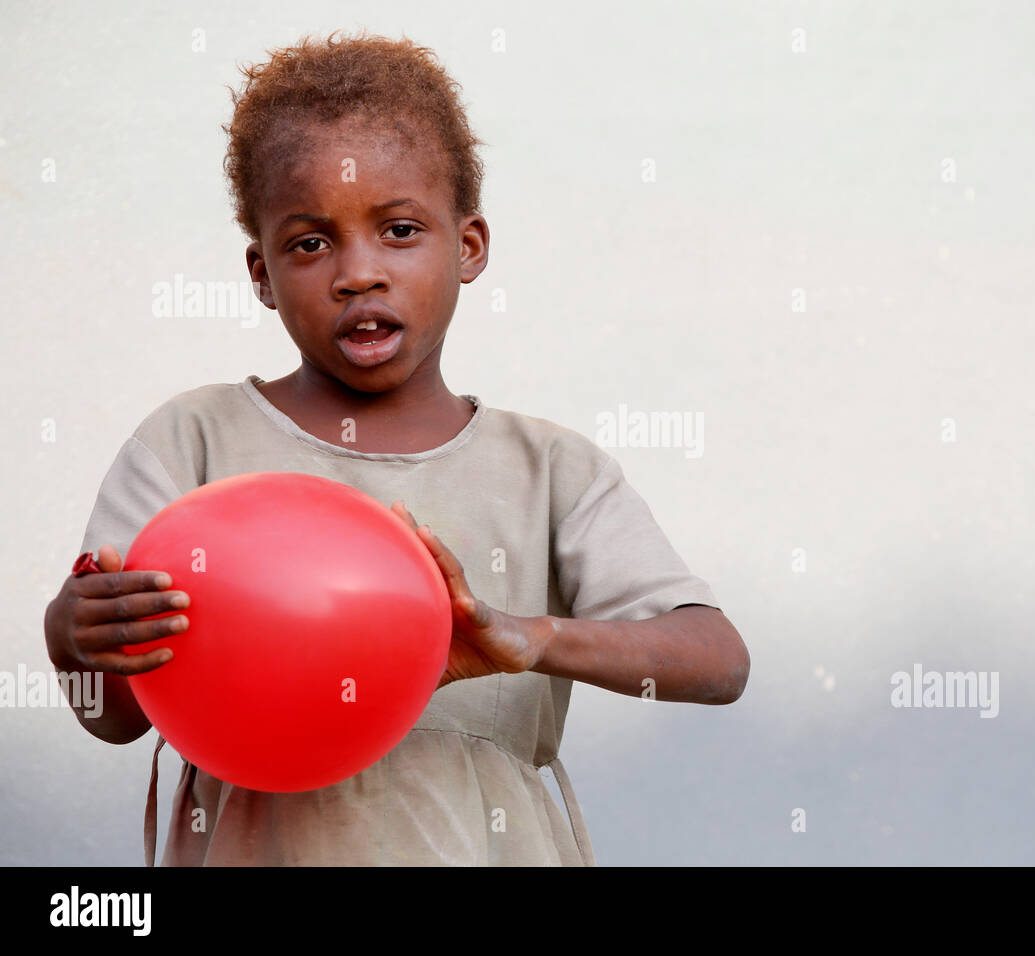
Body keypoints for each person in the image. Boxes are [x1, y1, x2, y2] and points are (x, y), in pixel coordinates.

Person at [42, 30, 749, 866]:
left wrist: (532, 638)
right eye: (310, 243)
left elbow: (716, 662)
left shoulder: (549, 469)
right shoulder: (189, 443)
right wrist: (71, 635)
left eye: (401, 231)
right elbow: (118, 719)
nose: (358, 273)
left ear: (469, 246)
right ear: (261, 273)